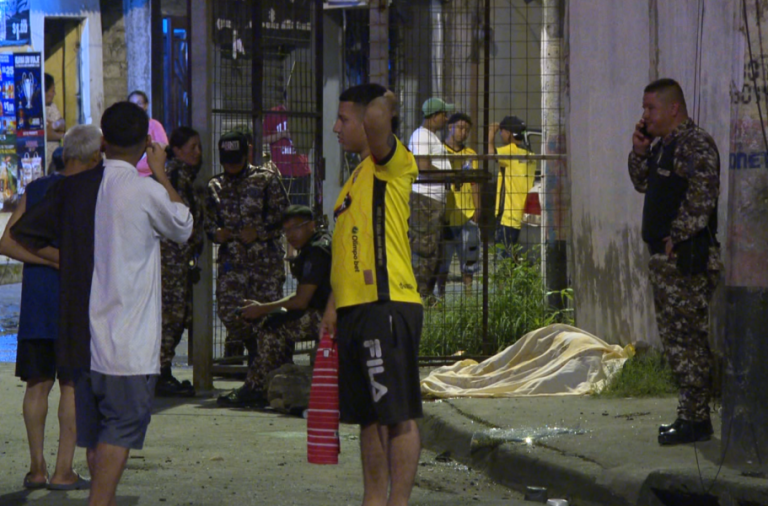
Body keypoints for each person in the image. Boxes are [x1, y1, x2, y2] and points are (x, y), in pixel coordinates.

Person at [323, 83, 423, 506]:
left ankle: (397, 501)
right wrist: (331, 310)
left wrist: (383, 96)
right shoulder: (356, 177)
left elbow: (381, 119)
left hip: (386, 305)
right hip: (354, 310)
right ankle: (373, 500)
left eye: (344, 119)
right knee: (368, 418)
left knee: (395, 414)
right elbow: (346, 249)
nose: (335, 127)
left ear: (367, 121)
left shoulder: (390, 163)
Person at [0, 124, 102, 491]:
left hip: (37, 305)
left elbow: (7, 243)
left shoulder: (37, 188)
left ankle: (37, 468)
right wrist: (61, 261)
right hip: (76, 303)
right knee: (72, 386)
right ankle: (63, 471)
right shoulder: (95, 192)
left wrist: (45, 260)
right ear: (94, 157)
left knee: (37, 385)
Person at [628, 78, 721, 446]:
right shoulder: (664, 146)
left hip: (686, 260)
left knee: (688, 341)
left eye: (651, 108)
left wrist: (677, 236)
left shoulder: (695, 144)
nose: (645, 115)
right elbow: (641, 183)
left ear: (673, 109)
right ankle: (689, 415)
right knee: (675, 342)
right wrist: (639, 150)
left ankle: (697, 419)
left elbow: (703, 195)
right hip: (666, 263)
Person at [217, 205, 331, 407]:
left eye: (296, 228)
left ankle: (256, 388)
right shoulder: (317, 245)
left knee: (272, 328)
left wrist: (261, 308)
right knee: (278, 319)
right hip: (326, 312)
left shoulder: (317, 251)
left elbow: (300, 301)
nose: (290, 235)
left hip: (330, 317)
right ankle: (277, 380)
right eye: (286, 230)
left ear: (311, 225)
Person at [205, 130, 290, 359]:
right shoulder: (215, 186)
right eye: (227, 162)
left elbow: (285, 217)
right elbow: (207, 222)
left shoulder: (266, 179)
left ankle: (265, 362)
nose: (232, 167)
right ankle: (252, 352)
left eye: (236, 161)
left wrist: (259, 232)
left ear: (247, 155)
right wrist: (216, 234)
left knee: (268, 314)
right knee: (228, 311)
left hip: (265, 264)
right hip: (232, 265)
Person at [155, 127, 206, 397]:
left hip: (179, 257)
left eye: (199, 146)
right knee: (170, 316)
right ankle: (159, 373)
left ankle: (162, 371)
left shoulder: (183, 175)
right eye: (192, 147)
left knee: (177, 315)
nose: (197, 152)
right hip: (170, 258)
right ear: (176, 150)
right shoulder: (174, 176)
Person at [408, 97, 454, 300]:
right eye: (443, 115)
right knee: (425, 249)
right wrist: (449, 176)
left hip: (433, 200)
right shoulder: (421, 136)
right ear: (433, 116)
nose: (446, 119)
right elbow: (423, 166)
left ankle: (425, 294)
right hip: (424, 200)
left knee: (433, 249)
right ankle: (419, 295)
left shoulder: (430, 136)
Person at [440, 113, 480, 297]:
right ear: (450, 127)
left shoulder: (470, 155)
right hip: (446, 216)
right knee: (442, 262)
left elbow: (474, 183)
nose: (464, 133)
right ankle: (437, 298)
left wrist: (477, 208)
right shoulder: (440, 151)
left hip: (467, 215)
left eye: (467, 130)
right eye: (461, 128)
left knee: (469, 261)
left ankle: (469, 295)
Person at [489, 115, 536, 257]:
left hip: (508, 217)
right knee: (516, 258)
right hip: (524, 216)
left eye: (502, 131)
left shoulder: (511, 151)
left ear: (509, 134)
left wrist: (491, 133)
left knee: (504, 260)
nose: (500, 134)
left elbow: (490, 154)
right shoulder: (530, 154)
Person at [263, 105, 311, 205]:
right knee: (281, 209)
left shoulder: (302, 113)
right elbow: (262, 138)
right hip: (281, 170)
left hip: (301, 170)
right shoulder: (274, 113)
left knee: (300, 211)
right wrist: (282, 134)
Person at [128, 90, 169, 177]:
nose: (136, 107)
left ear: (146, 105)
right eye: (132, 104)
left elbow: (164, 145)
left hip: (150, 174)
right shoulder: (125, 126)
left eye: (139, 103)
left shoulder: (154, 124)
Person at [45, 73, 66, 173]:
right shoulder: (38, 110)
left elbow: (62, 123)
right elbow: (46, 134)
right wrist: (62, 136)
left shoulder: (52, 106)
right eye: (52, 91)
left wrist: (53, 125)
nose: (54, 94)